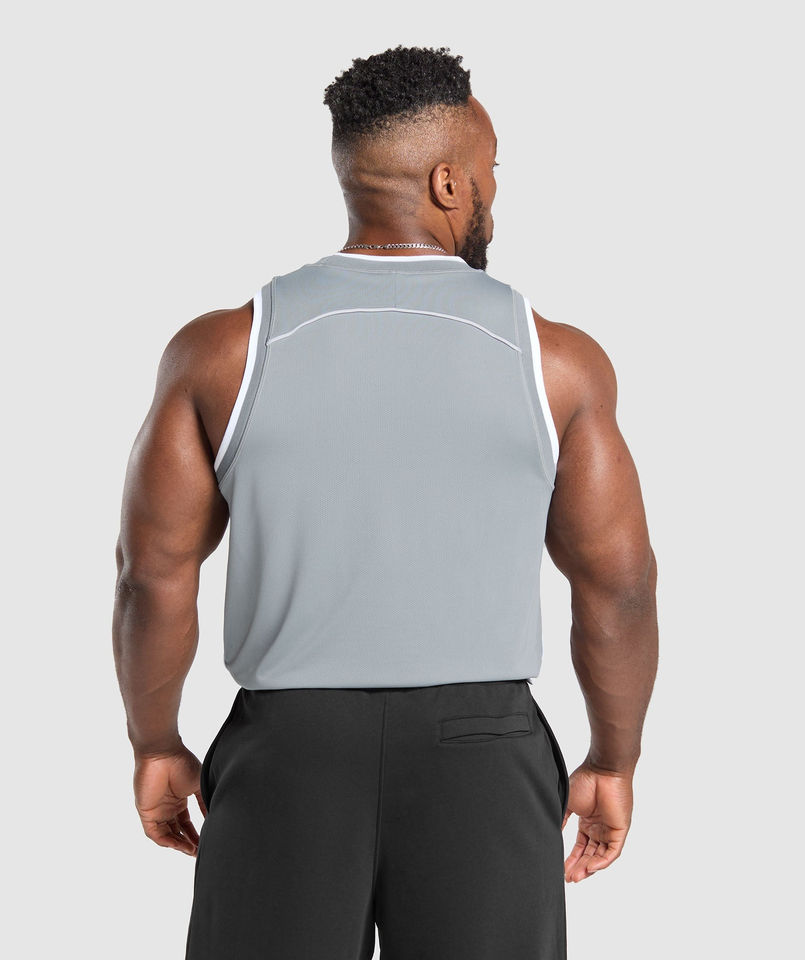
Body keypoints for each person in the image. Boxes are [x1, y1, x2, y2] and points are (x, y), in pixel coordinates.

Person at [113, 44, 658, 960]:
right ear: (449, 183)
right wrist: (612, 757)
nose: (495, 190)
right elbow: (620, 584)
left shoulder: (222, 351)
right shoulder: (556, 360)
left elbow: (151, 576)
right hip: (482, 750)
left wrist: (156, 743)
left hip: (289, 749)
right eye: (491, 169)